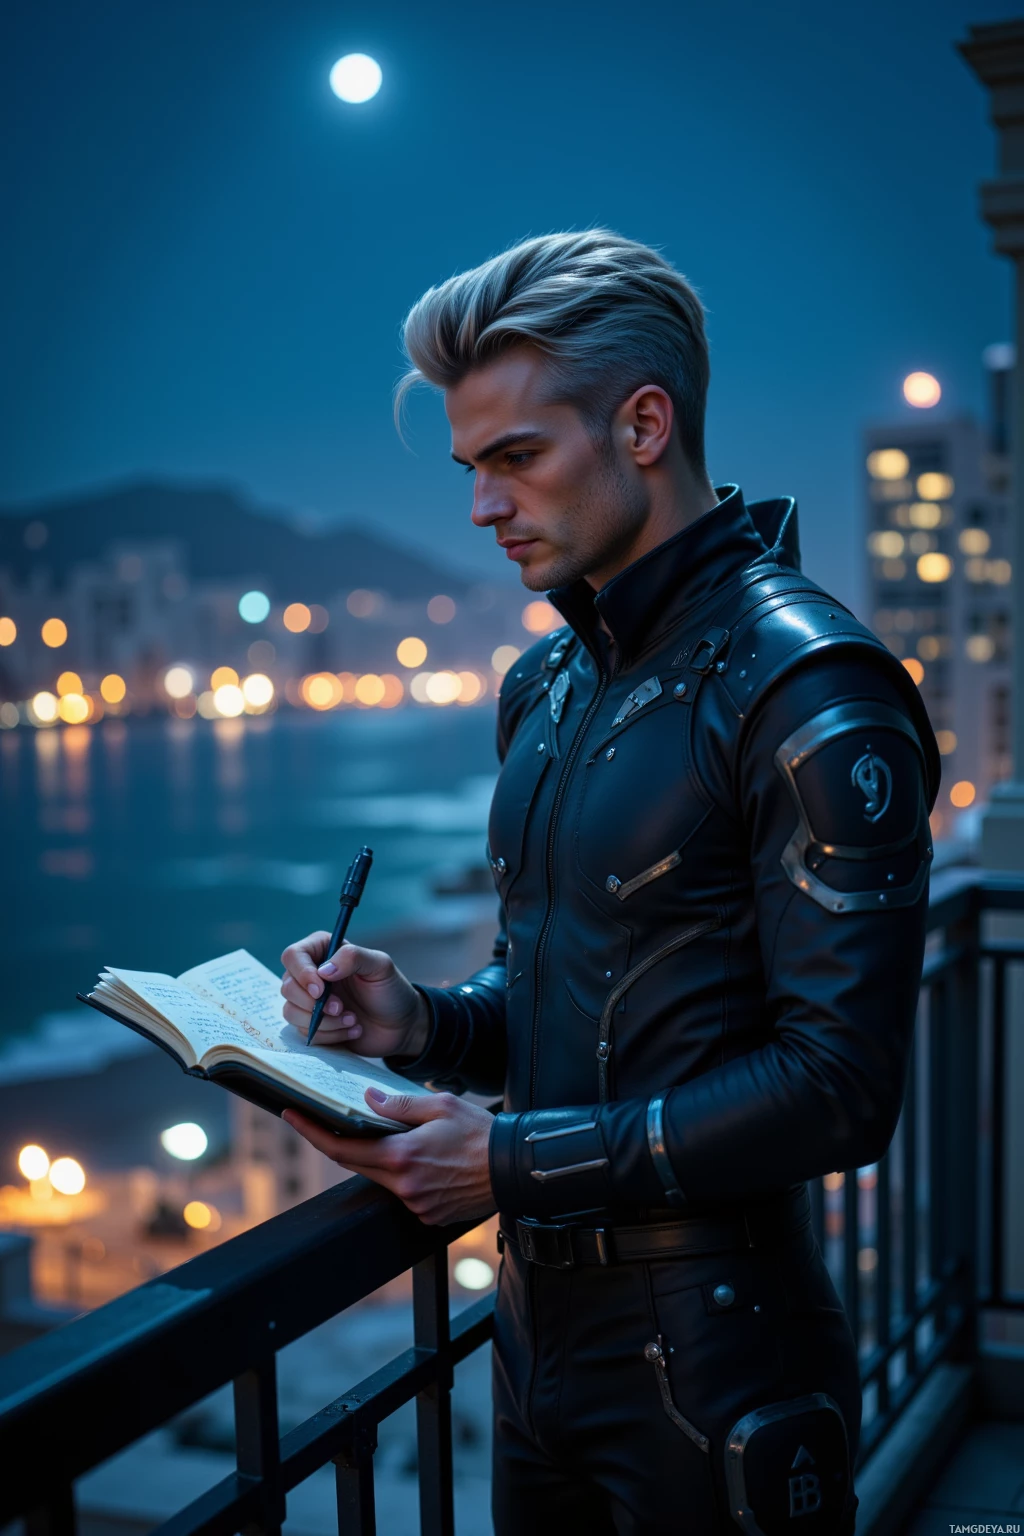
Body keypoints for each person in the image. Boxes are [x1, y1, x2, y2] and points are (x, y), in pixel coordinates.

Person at [278, 230, 939, 1535]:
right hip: (531, 1345)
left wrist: (510, 1166)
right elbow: (566, 984)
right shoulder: (549, 683)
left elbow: (842, 1088)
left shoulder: (812, 689)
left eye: (516, 458)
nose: (481, 507)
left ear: (644, 425)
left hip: (719, 1359)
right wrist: (419, 1017)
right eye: (473, 467)